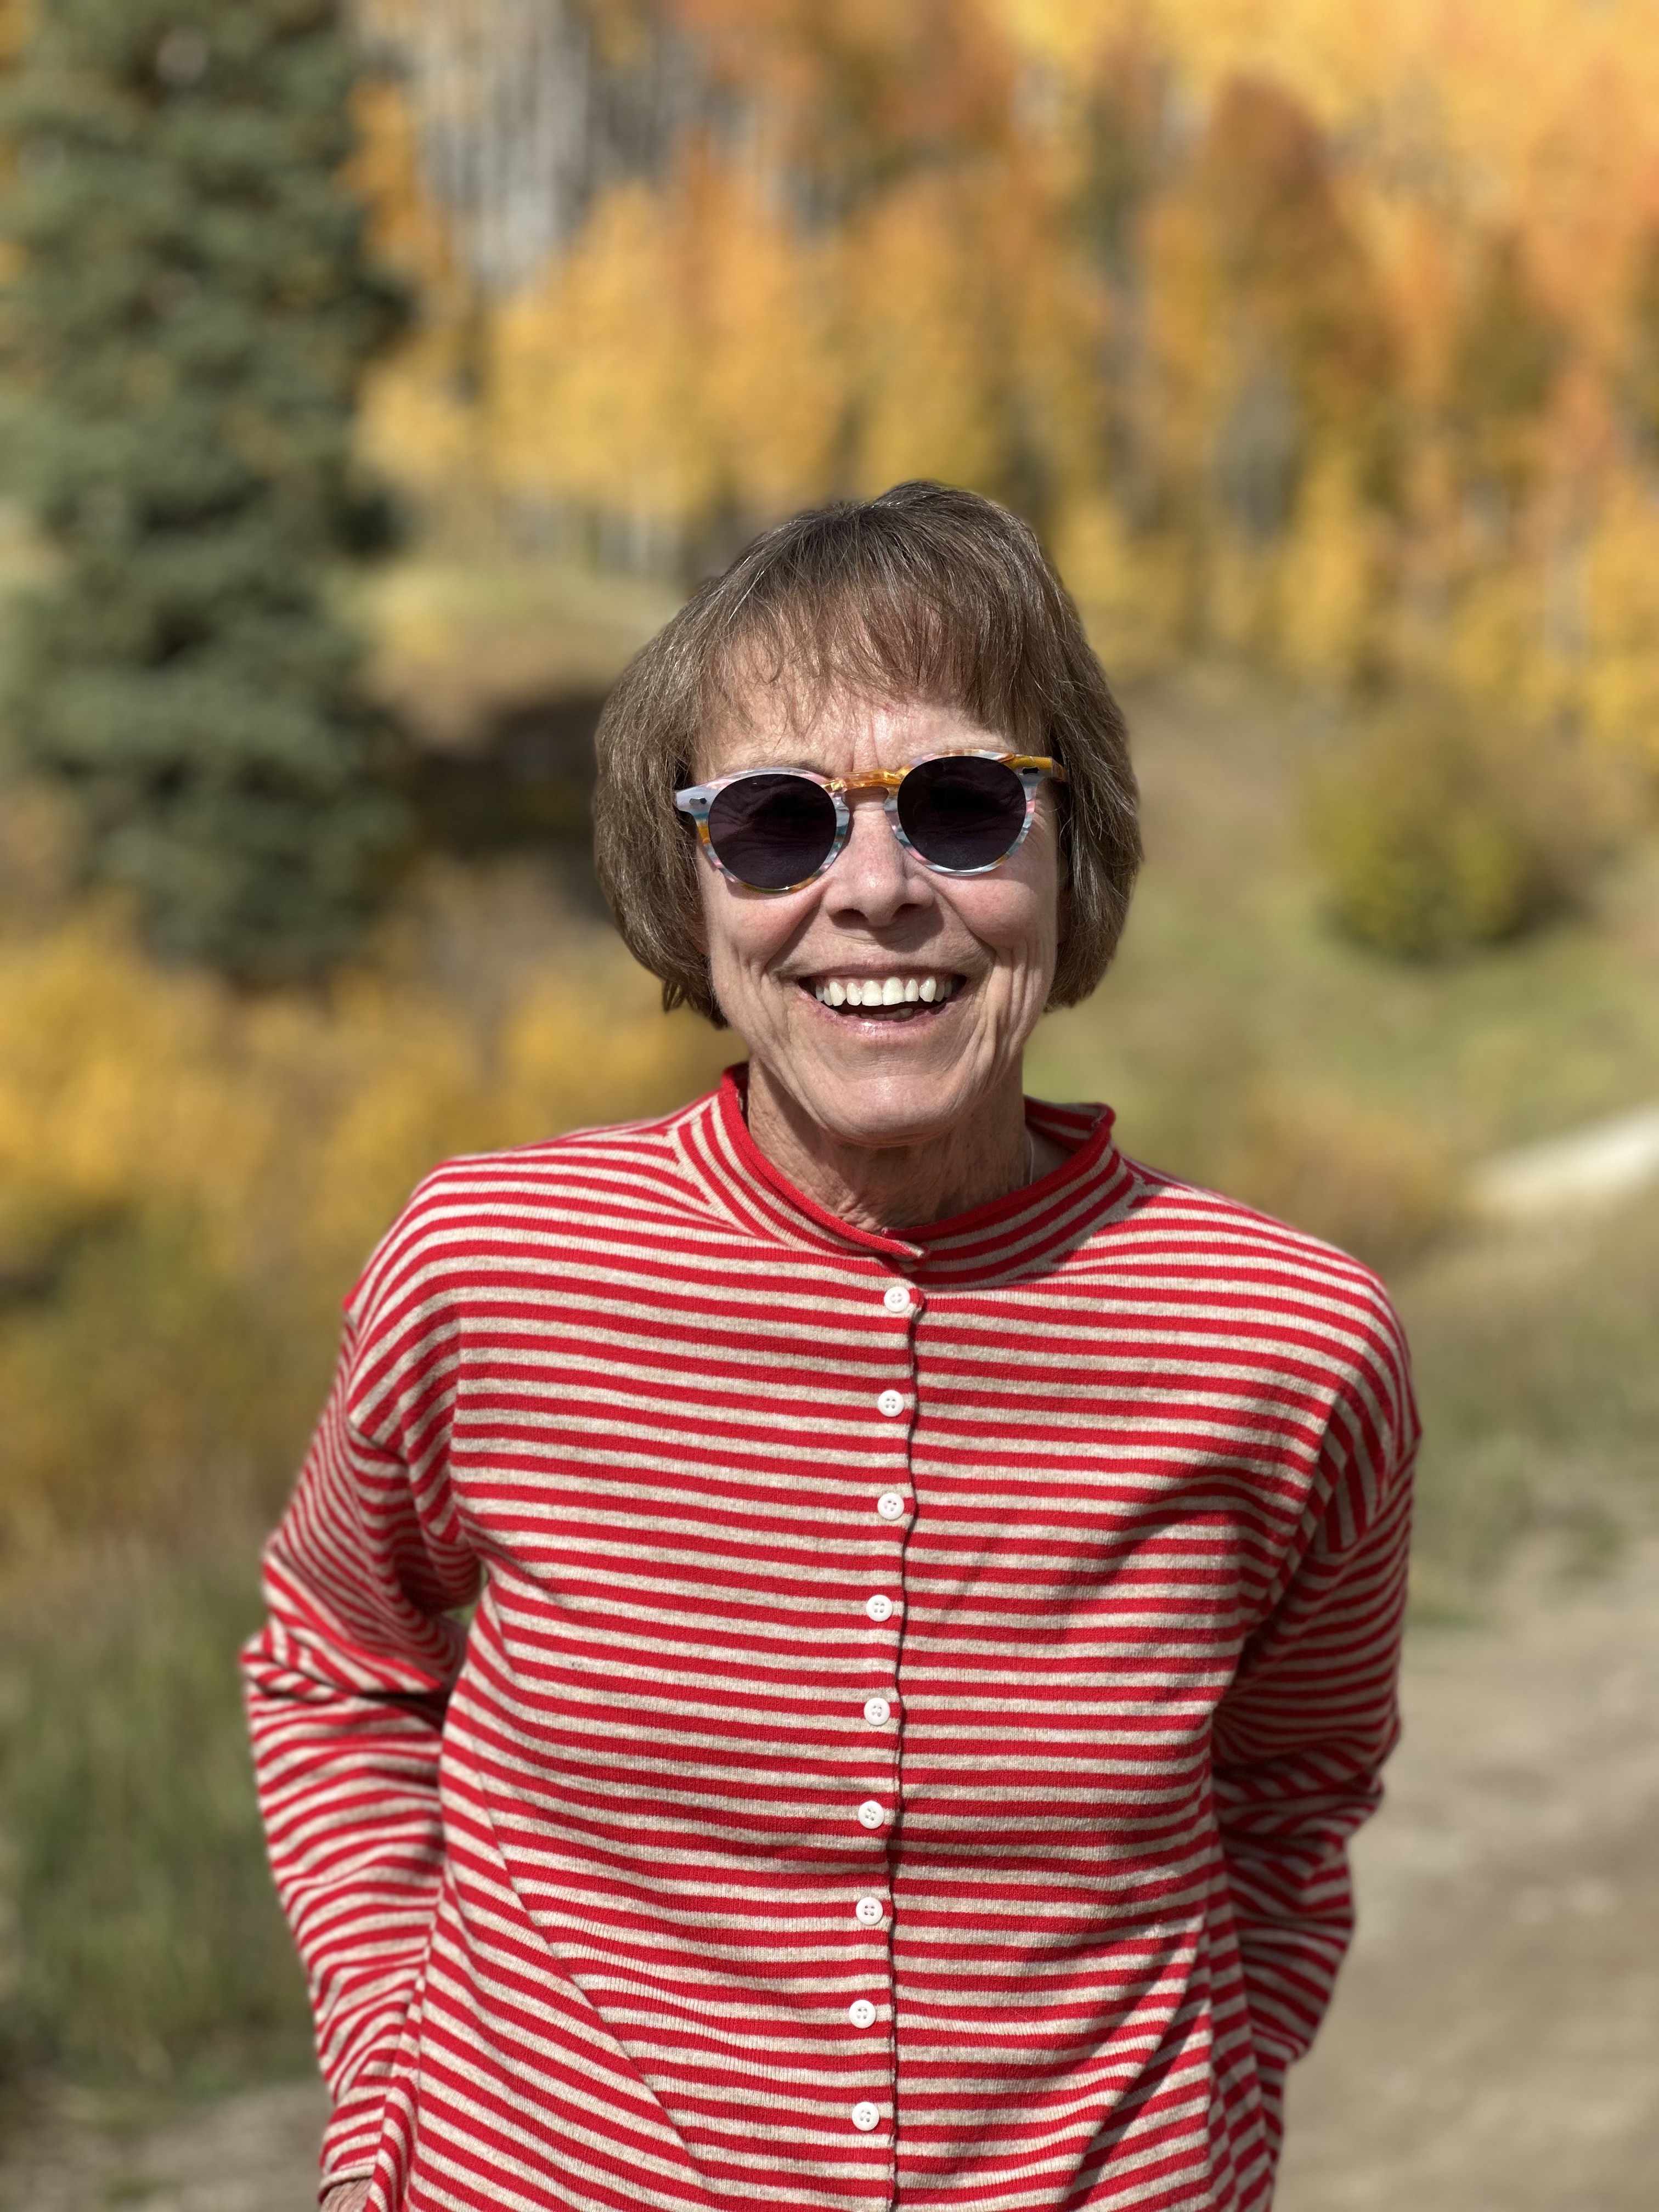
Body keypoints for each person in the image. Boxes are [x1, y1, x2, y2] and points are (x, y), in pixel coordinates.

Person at [245, 481, 1417, 2212]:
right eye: (778, 824)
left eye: (962, 806)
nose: (874, 891)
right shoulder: (490, 1268)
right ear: (689, 880)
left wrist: (1217, 2105)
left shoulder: (1288, 1342)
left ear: (1072, 847)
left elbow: (1295, 1784)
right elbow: (340, 1671)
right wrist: (383, 2107)